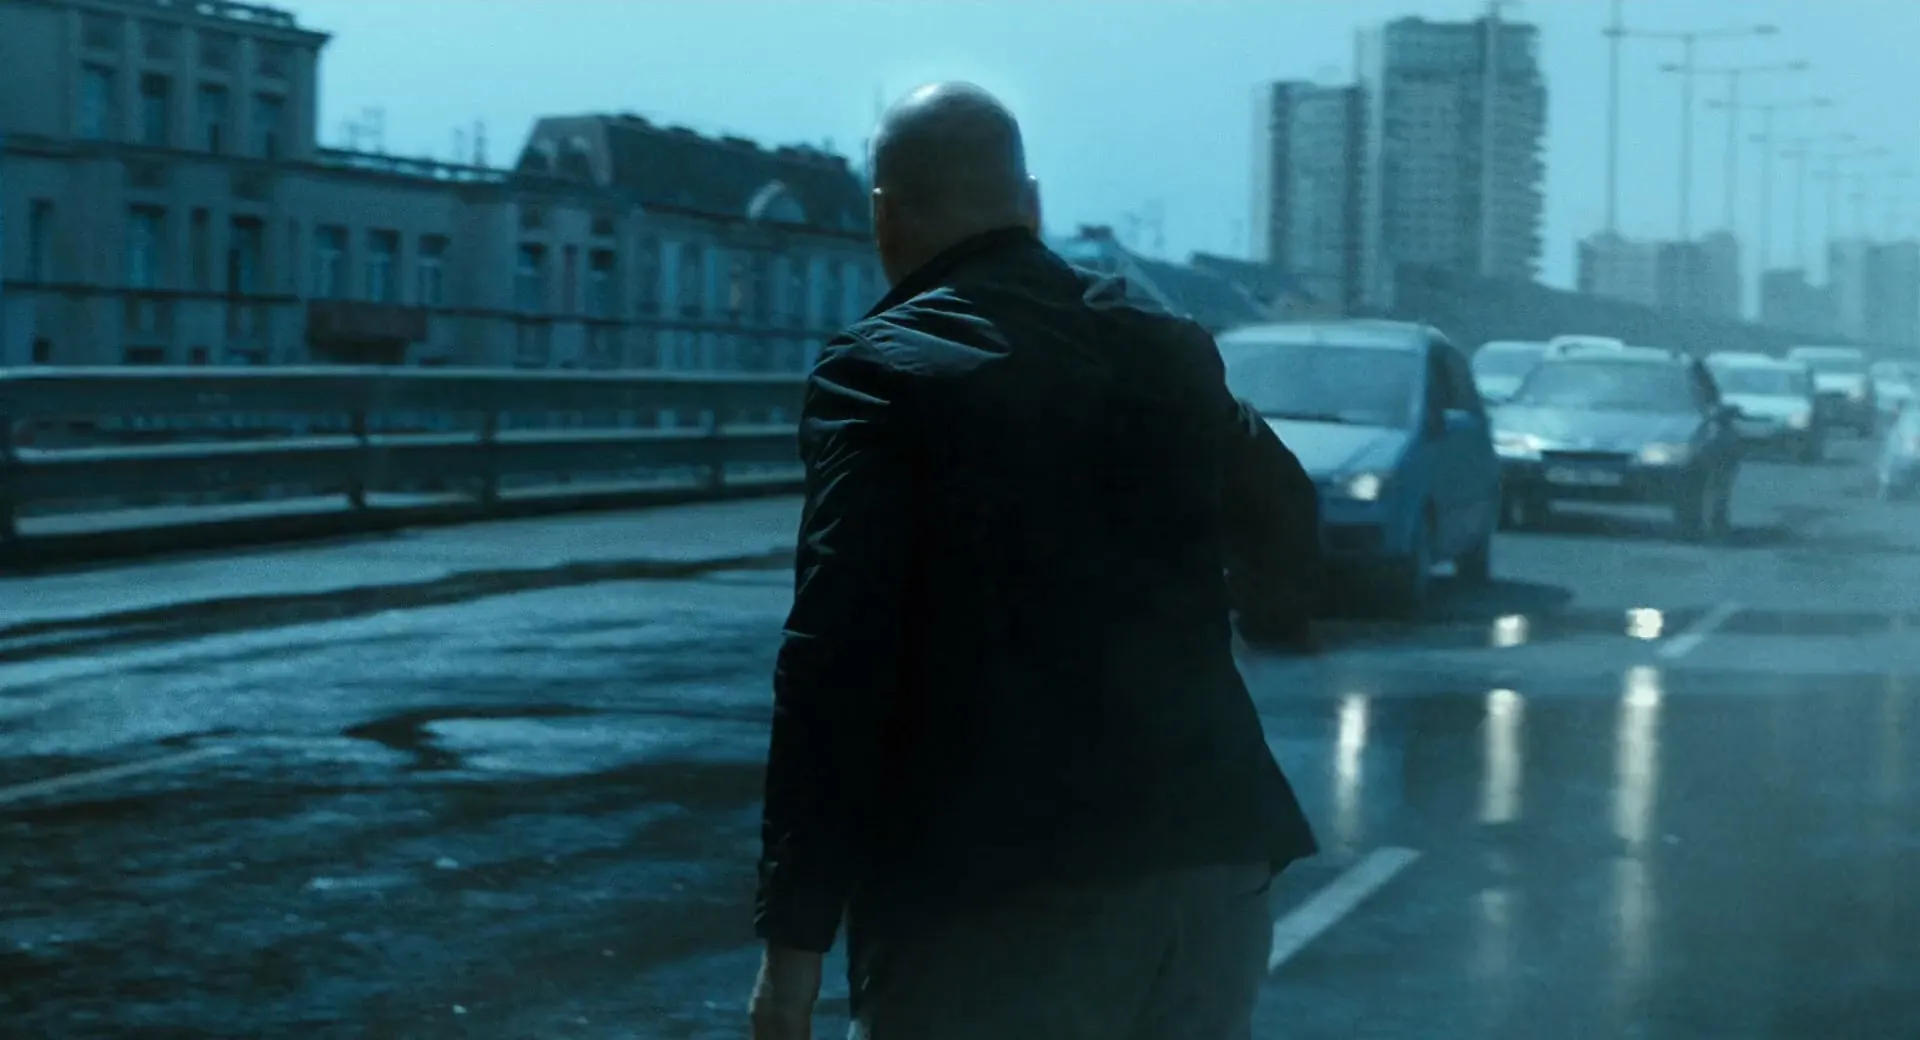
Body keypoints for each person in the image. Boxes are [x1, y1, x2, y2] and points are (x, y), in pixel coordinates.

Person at [749, 81, 1323, 1040]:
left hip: (1003, 899)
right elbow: (1288, 511)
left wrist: (792, 947)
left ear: (884, 216)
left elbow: (834, 664)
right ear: (1033, 205)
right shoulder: (1164, 346)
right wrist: (1262, 614)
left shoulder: (881, 373)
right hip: (1212, 876)